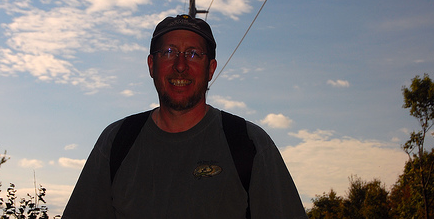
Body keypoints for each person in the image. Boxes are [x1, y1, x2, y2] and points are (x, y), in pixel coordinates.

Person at [62, 14, 307, 219]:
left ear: (211, 69)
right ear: (151, 65)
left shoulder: (249, 143)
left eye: (193, 54)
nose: (180, 65)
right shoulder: (116, 141)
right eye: (169, 52)